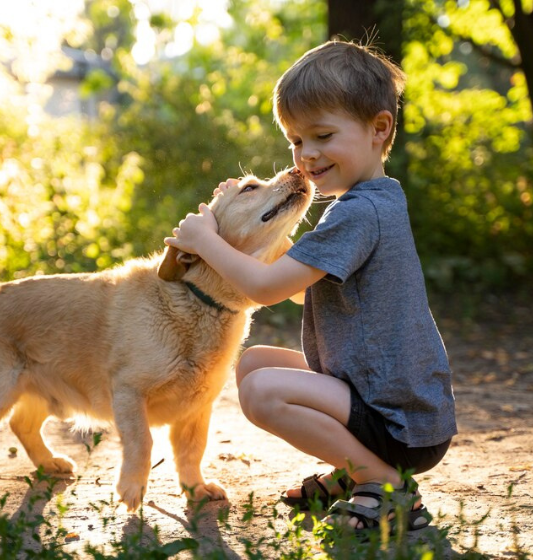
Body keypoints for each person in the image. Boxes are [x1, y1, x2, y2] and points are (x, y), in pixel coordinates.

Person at [164, 40, 456, 540]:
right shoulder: (369, 203)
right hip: (387, 398)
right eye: (296, 141)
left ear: (379, 128)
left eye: (322, 135)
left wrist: (207, 242)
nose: (307, 155)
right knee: (255, 361)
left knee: (260, 391)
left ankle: (383, 482)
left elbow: (269, 289)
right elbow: (306, 291)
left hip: (399, 423)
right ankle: (355, 470)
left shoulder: (360, 213)